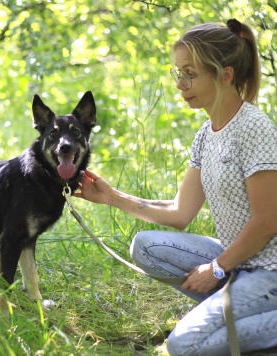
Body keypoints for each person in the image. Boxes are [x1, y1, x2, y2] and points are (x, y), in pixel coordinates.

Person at [74, 19, 277, 355]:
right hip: (238, 265)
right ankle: (231, 316)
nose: (181, 85)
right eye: (178, 73)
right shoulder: (205, 135)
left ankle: (236, 318)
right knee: (147, 246)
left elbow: (268, 221)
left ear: (225, 75)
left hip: (269, 272)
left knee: (184, 346)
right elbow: (180, 213)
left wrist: (216, 268)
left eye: (191, 74)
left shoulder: (254, 128)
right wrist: (112, 197)